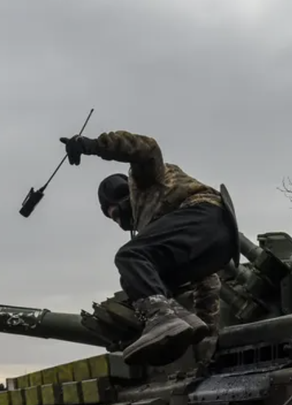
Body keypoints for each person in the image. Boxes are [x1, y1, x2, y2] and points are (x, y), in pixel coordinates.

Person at [59, 129, 238, 366]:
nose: (118, 222)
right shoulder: (158, 228)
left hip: (204, 214)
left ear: (121, 199)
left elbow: (147, 148)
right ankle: (179, 317)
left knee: (129, 256)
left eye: (114, 214)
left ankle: (161, 316)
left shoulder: (143, 182)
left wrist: (91, 145)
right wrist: (207, 335)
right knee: (139, 276)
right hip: (219, 248)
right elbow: (207, 282)